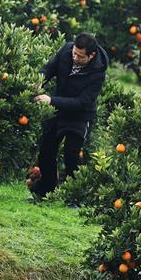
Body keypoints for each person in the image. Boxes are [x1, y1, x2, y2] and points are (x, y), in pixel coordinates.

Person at [30, 32, 109, 200]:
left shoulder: (98, 72)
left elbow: (82, 102)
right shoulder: (66, 50)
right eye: (74, 52)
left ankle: (74, 197)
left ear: (91, 55)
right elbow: (48, 68)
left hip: (80, 115)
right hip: (57, 110)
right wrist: (38, 80)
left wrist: (51, 100)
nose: (75, 57)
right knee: (46, 152)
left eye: (80, 56)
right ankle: (45, 192)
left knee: (71, 157)